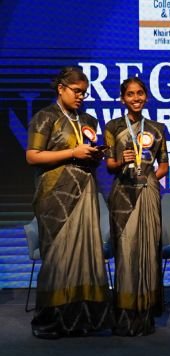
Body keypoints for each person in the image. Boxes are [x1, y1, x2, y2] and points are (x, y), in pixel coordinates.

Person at [25, 66, 113, 338]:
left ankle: (83, 319)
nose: (81, 96)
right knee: (58, 258)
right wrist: (73, 152)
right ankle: (51, 321)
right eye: (76, 91)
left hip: (84, 189)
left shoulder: (88, 120)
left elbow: (84, 154)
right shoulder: (45, 117)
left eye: (84, 92)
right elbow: (33, 156)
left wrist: (93, 155)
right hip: (55, 196)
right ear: (61, 89)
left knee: (86, 256)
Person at [104, 77, 169, 336]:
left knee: (149, 252)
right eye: (130, 94)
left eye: (140, 93)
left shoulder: (157, 128)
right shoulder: (113, 127)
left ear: (146, 97)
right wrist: (122, 161)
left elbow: (164, 165)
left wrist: (150, 177)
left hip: (148, 193)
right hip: (123, 195)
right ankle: (125, 314)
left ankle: (145, 314)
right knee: (126, 252)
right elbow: (110, 166)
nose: (136, 98)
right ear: (123, 99)